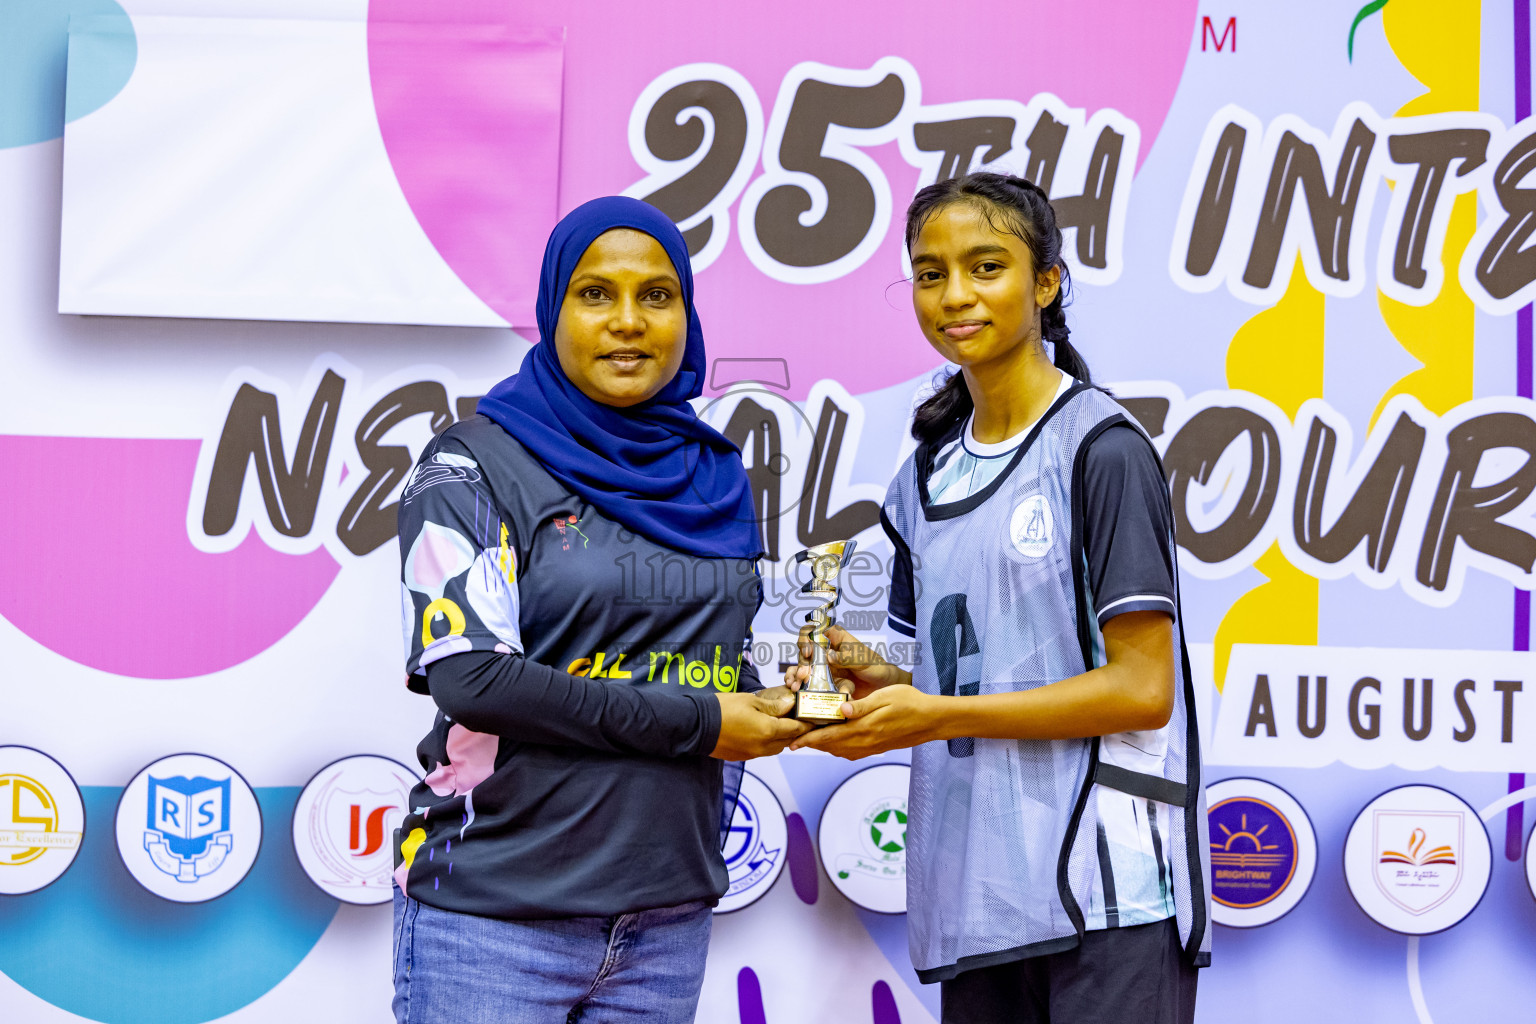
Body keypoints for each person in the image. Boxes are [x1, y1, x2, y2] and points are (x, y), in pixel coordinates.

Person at [786, 172, 1211, 1024]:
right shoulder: (925, 474)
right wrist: (861, 677)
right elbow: (942, 675)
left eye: (987, 267)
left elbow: (1142, 690)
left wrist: (936, 715)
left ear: (1046, 282)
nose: (955, 295)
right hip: (980, 893)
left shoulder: (1102, 448)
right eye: (930, 272)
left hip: (1109, 895)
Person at [392, 196, 808, 1024]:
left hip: (666, 918)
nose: (629, 321)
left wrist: (791, 690)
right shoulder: (470, 466)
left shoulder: (712, 476)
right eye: (596, 294)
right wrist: (704, 721)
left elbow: (699, 663)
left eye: (657, 295)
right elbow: (475, 682)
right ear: (553, 311)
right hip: (495, 916)